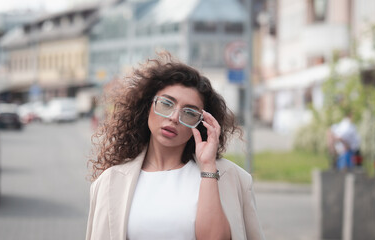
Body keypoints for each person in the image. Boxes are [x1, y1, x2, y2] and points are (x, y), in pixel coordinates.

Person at [86, 52, 265, 240]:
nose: (174, 117)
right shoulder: (110, 182)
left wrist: (208, 167)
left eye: (189, 112)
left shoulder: (234, 179)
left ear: (201, 122)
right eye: (166, 103)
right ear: (148, 106)